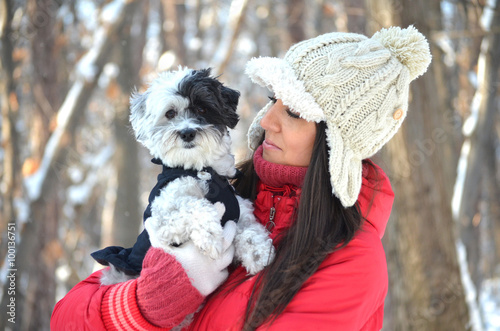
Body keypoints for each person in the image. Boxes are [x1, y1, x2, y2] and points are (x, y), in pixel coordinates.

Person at [51, 25, 431, 330]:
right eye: (271, 99)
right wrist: (138, 306)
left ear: (337, 143)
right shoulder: (223, 190)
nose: (267, 121)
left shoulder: (351, 265)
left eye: (294, 112)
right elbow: (66, 316)